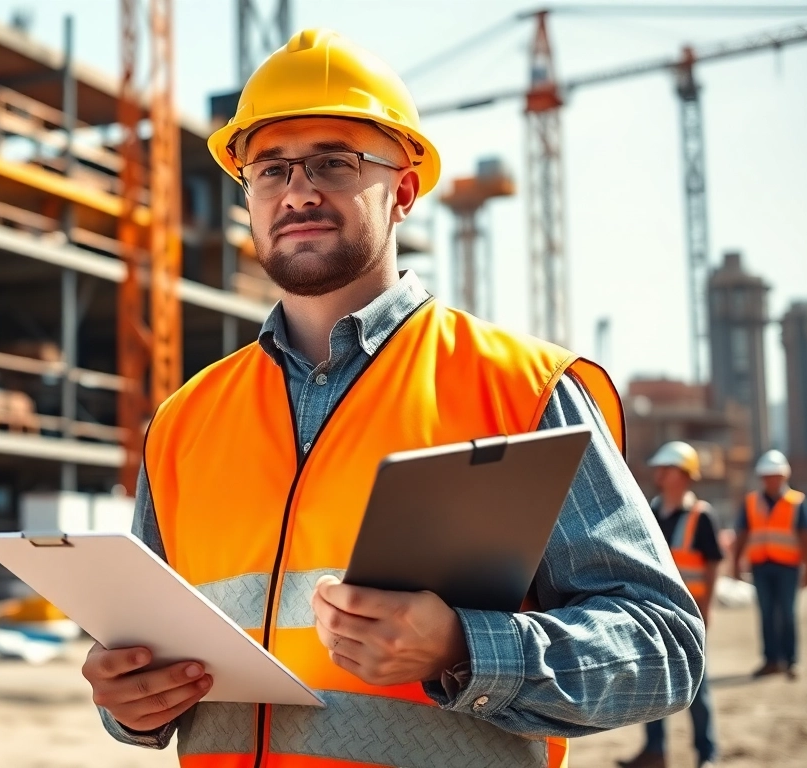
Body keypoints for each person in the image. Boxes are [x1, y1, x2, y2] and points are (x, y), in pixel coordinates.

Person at [82, 29, 703, 768]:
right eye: (270, 169)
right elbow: (147, 652)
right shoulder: (185, 422)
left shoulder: (522, 389)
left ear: (404, 189)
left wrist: (464, 648)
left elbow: (663, 645)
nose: (299, 190)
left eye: (334, 164)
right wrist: (130, 704)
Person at [618, 442, 722, 768]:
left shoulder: (701, 516)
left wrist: (707, 609)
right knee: (653, 684)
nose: (658, 473)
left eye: (666, 468)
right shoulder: (650, 510)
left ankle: (707, 754)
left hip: (689, 615)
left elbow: (712, 565)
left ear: (684, 475)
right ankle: (655, 752)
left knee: (698, 690)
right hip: (656, 612)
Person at [731, 449, 807, 680]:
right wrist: (736, 562)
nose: (771, 480)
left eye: (775, 475)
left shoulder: (797, 502)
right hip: (761, 566)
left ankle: (791, 660)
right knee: (766, 613)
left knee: (786, 612)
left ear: (784, 477)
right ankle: (771, 660)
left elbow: (806, 537)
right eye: (766, 476)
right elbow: (742, 534)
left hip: (788, 566)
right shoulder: (752, 501)